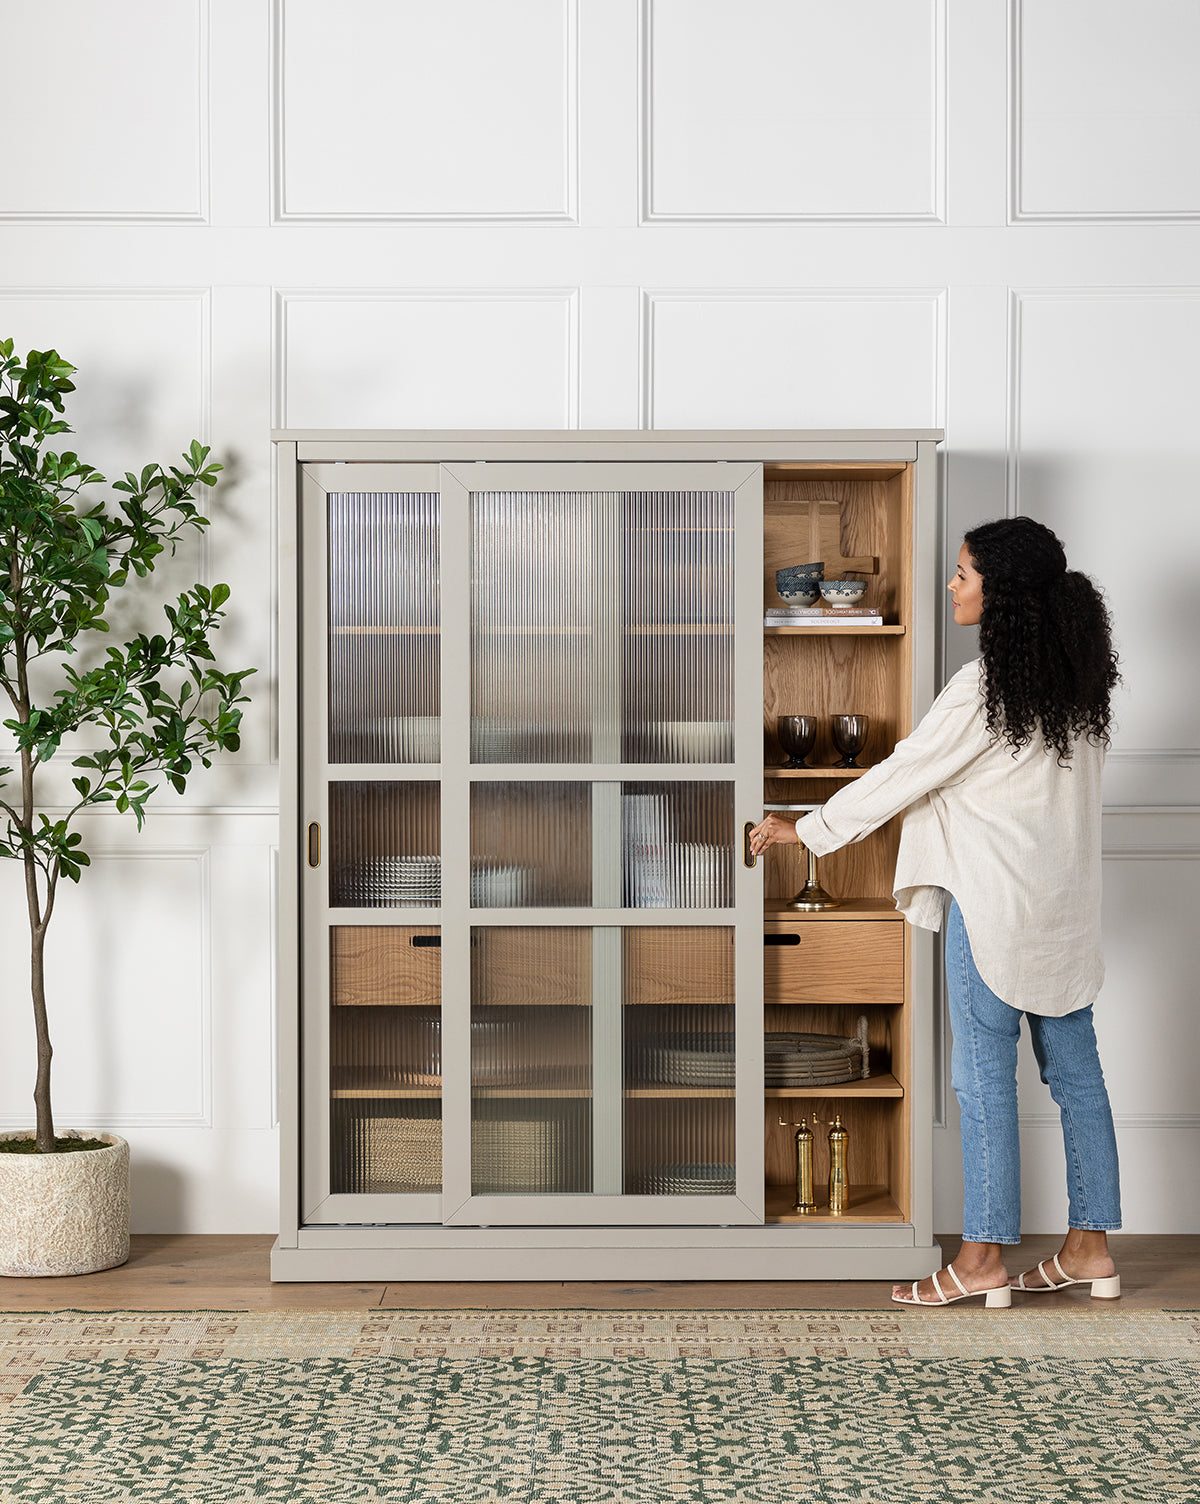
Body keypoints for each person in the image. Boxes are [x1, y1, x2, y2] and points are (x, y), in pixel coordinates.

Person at [749, 517, 1123, 1309]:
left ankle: (982, 1259)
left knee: (983, 1083)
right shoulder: (1078, 686)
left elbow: (905, 772)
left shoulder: (987, 687)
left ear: (1001, 592)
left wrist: (804, 829)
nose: (952, 586)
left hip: (991, 906)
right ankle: (1090, 1249)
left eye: (962, 574)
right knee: (1079, 1080)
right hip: (1063, 915)